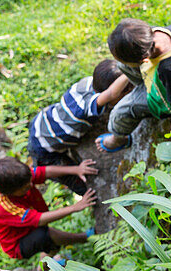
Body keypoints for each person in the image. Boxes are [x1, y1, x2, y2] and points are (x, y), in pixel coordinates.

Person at [96, 18, 171, 152]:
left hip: (167, 98)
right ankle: (138, 88)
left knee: (118, 114)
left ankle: (118, 139)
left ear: (145, 60)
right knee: (121, 65)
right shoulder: (155, 33)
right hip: (164, 76)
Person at [27, 59, 130, 193]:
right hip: (44, 147)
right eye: (126, 90)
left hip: (42, 121)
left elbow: (111, 92)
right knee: (81, 185)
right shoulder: (86, 107)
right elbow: (112, 94)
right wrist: (130, 71)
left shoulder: (87, 82)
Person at [0, 156, 97, 263]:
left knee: (49, 241)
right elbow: (40, 220)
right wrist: (75, 207)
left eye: (30, 180)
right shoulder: (5, 206)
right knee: (46, 236)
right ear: (10, 193)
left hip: (28, 227)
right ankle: (85, 238)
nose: (31, 184)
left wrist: (76, 169)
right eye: (25, 187)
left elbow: (44, 172)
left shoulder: (19, 178)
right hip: (17, 244)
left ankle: (45, 264)